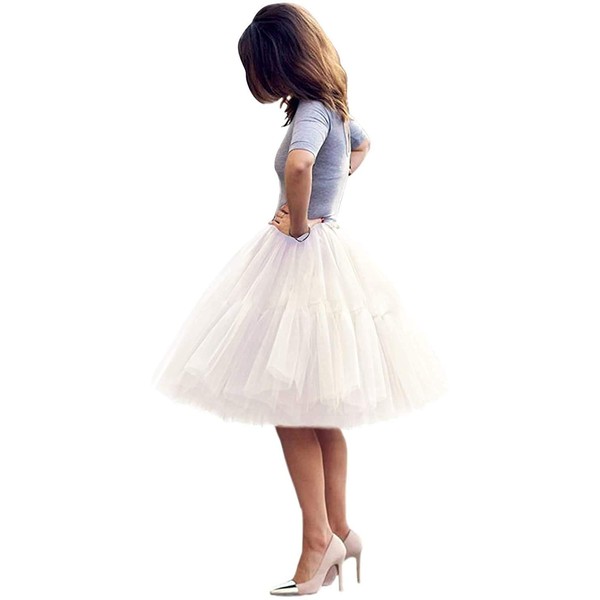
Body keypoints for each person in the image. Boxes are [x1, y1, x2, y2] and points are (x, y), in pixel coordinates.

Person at [151, 2, 448, 596]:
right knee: (318, 407)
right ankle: (339, 530)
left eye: (257, 66)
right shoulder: (335, 108)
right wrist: (332, 194)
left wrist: (298, 220)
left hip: (303, 254)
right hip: (326, 252)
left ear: (280, 61)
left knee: (289, 405)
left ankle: (317, 541)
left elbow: (300, 162)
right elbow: (363, 144)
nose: (254, 79)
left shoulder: (312, 111)